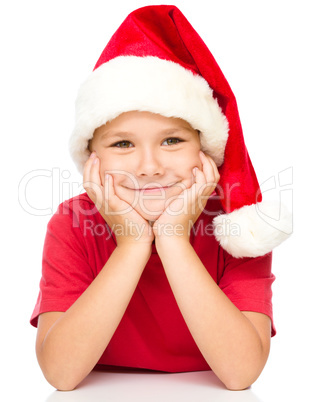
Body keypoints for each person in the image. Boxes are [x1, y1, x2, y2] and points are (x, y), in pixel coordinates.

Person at [30, 5, 291, 392]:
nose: (149, 167)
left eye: (172, 140)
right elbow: (61, 375)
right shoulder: (72, 223)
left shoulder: (238, 225)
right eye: (122, 143)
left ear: (207, 150)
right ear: (92, 159)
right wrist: (134, 242)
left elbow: (240, 374)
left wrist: (171, 237)